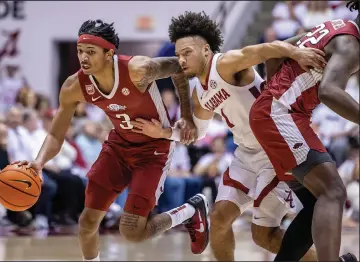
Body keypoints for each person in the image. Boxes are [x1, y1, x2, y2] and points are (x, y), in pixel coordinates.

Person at [131, 11, 326, 261]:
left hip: (275, 152)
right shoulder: (198, 95)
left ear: (206, 49)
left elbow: (263, 49)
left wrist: (296, 53)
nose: (181, 60)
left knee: (263, 236)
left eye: (187, 52)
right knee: (219, 218)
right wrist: (164, 132)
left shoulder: (225, 63)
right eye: (178, 54)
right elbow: (197, 133)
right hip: (245, 154)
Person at [13, 19, 209, 261]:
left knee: (133, 231)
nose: (83, 58)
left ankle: (190, 210)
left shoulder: (139, 69)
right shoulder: (75, 85)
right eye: (80, 51)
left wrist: (187, 116)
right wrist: (39, 162)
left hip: (153, 149)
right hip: (118, 146)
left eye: (91, 52)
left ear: (109, 53)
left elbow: (179, 68)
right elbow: (55, 133)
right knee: (87, 222)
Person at [249, 1, 359, 261]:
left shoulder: (334, 27)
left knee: (315, 203)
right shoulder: (350, 45)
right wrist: (278, 100)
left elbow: (275, 53)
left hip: (274, 113)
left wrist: (273, 91)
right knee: (333, 191)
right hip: (280, 115)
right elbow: (329, 92)